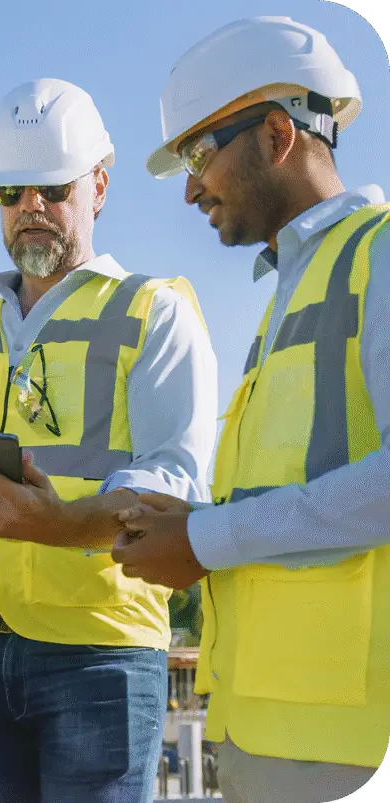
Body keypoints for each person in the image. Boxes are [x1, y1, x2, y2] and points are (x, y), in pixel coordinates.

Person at [0, 78, 218, 802]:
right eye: (10, 191)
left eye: (51, 186)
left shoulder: (151, 315)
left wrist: (59, 522)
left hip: (98, 651)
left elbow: (178, 487)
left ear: (98, 185)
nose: (30, 207)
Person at [114, 15, 390, 803]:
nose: (192, 186)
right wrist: (187, 520)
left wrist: (206, 535)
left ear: (276, 135)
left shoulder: (380, 255)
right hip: (280, 738)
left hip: (352, 751)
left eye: (200, 153)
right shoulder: (297, 291)